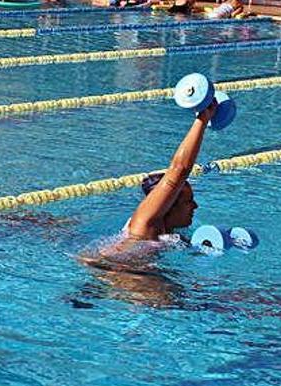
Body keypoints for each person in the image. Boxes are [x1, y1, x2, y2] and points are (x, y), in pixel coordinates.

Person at [76, 102, 217, 306]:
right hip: (116, 271)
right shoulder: (145, 224)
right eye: (188, 202)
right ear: (167, 206)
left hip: (129, 272)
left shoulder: (169, 233)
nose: (195, 207)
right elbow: (178, 170)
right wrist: (202, 119)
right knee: (197, 303)